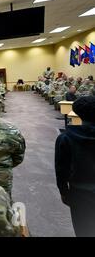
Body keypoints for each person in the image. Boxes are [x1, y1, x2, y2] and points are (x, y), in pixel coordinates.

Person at [55, 96, 95, 237]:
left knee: (83, 229)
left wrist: (64, 192)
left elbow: (61, 169)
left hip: (80, 193)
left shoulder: (65, 138)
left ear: (76, 113)